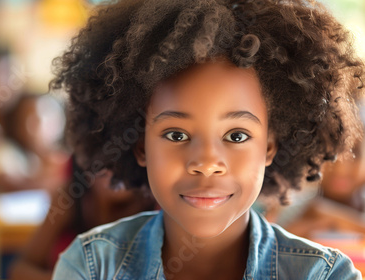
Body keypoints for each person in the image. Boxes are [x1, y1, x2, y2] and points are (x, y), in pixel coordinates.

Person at [49, 0, 365, 279]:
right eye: (176, 134)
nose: (206, 163)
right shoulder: (91, 266)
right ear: (140, 145)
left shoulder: (323, 275)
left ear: (270, 147)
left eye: (237, 135)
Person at [8, 160, 156, 280]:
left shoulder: (157, 210)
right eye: (101, 159)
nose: (111, 171)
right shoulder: (69, 198)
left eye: (123, 161)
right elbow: (18, 270)